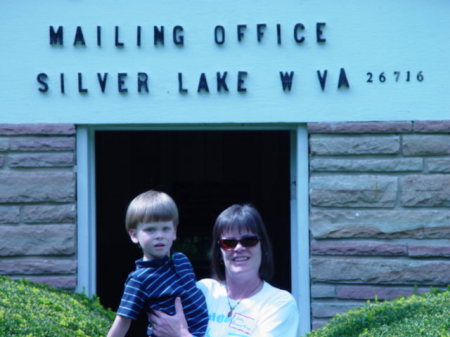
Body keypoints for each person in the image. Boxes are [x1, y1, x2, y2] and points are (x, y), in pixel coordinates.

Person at [149, 203, 299, 337]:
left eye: (249, 240)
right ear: (219, 252)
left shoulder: (279, 303)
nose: (239, 248)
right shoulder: (204, 291)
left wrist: (181, 335)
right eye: (229, 243)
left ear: (263, 247)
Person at [107, 190, 209, 337]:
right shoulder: (138, 280)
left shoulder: (182, 260)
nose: (159, 236)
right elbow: (122, 321)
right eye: (150, 230)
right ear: (134, 235)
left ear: (174, 232)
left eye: (165, 228)